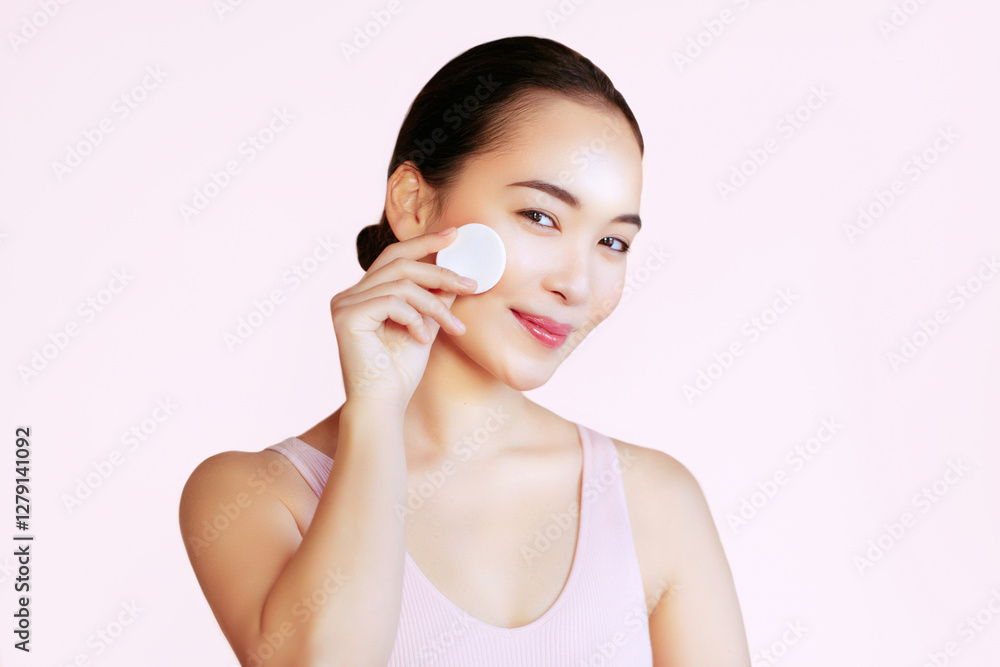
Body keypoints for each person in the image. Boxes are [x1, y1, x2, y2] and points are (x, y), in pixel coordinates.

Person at [179, 35, 751, 666]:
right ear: (415, 205)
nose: (577, 285)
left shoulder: (654, 502)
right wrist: (375, 409)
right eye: (540, 216)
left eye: (612, 243)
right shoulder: (254, 496)